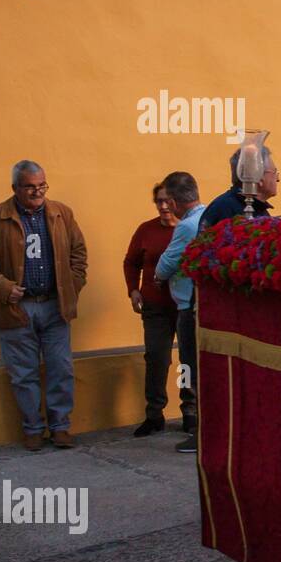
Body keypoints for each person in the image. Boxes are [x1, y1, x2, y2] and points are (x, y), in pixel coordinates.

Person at [0, 162, 88, 451]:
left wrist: (72, 285)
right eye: (30, 186)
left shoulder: (61, 213)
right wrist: (4, 287)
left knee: (61, 368)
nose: (37, 191)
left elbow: (78, 252)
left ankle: (60, 428)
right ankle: (32, 429)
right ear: (15, 188)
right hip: (17, 308)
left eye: (42, 185)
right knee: (23, 373)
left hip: (56, 305)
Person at [155, 172, 207, 455]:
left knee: (190, 368)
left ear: (174, 201)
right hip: (202, 304)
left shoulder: (187, 226)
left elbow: (168, 262)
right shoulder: (209, 214)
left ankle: (198, 429)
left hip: (188, 305)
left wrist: (157, 276)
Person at [123, 183, 179, 437]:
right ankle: (154, 413)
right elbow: (131, 262)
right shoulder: (146, 230)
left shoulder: (189, 229)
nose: (163, 206)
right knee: (157, 357)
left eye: (168, 200)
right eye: (159, 201)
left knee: (188, 361)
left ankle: (190, 411)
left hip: (186, 305)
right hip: (155, 306)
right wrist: (133, 289)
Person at [200, 146, 278, 231]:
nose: (278, 179)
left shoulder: (259, 208)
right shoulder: (225, 209)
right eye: (274, 172)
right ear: (258, 177)